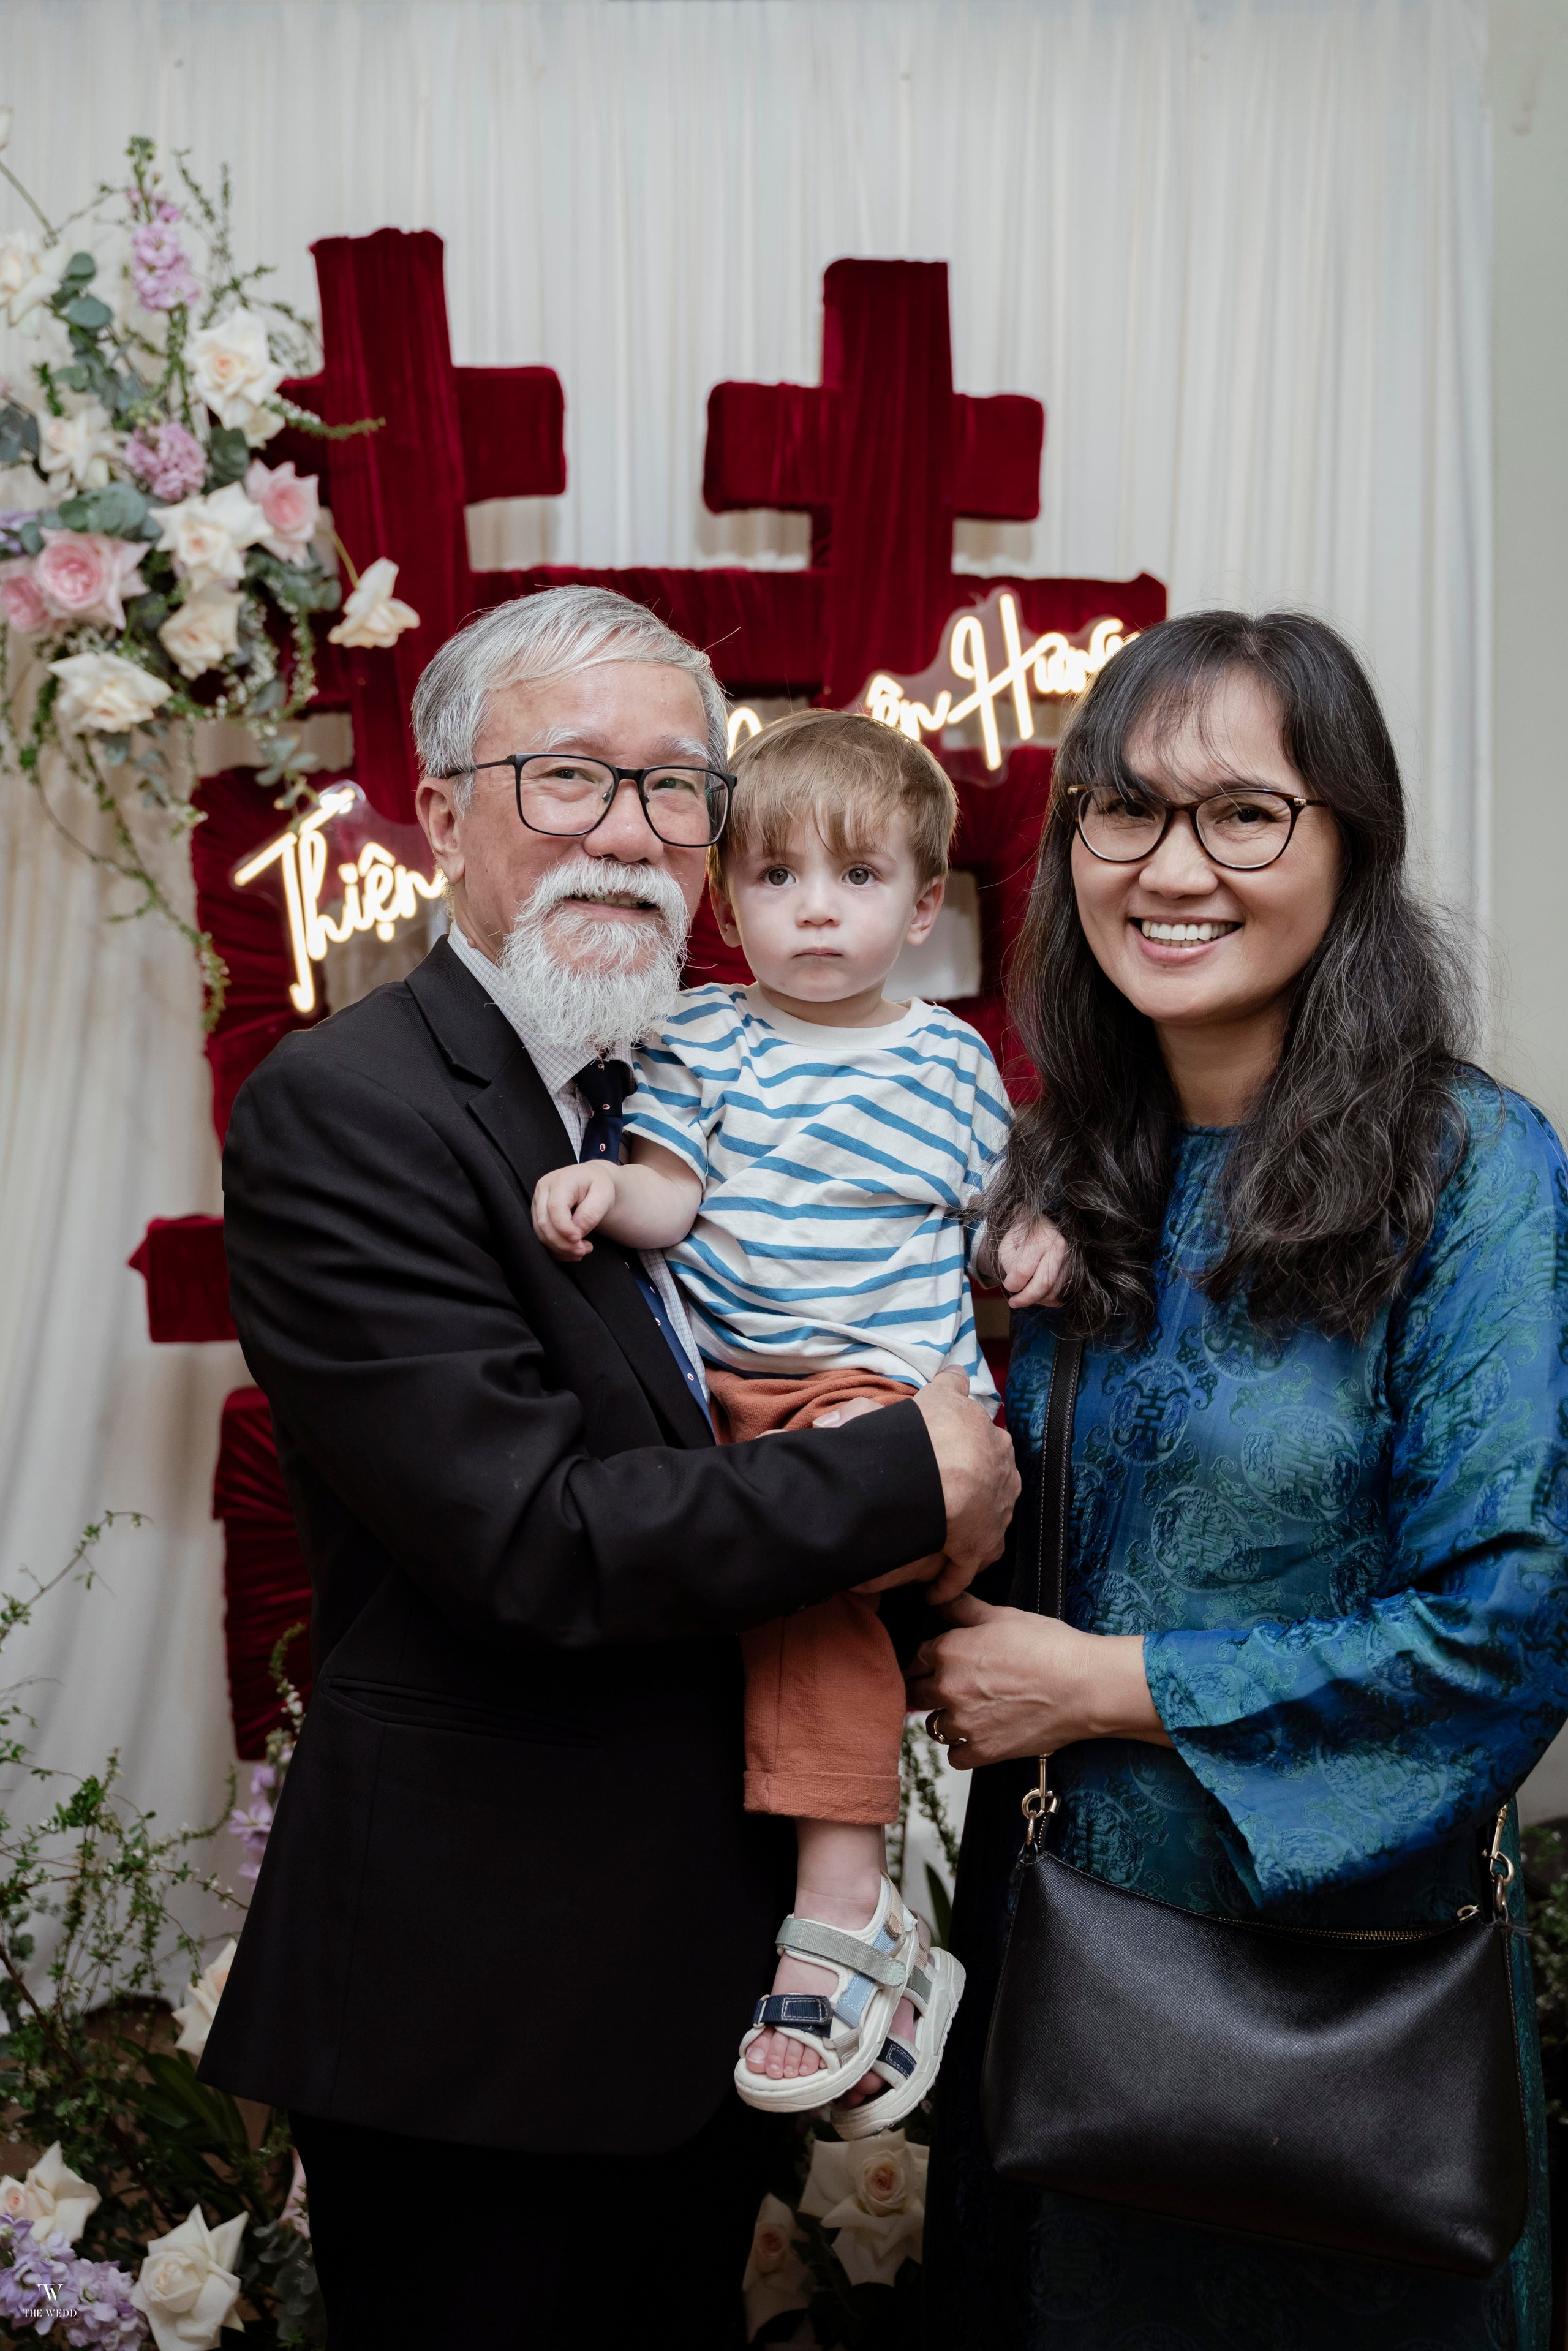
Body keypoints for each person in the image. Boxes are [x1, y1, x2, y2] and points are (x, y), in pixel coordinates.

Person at [198, 587, 1019, 2350]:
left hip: (691, 1998)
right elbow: (532, 1533)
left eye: (674, 791)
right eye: (570, 776)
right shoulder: (350, 1104)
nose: (630, 832)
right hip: (474, 2013)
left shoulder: (691, 1077)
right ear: (441, 812)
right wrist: (913, 1468)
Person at [909, 611, 1568, 2350]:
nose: (1169, 867)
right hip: (1055, 1978)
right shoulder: (1047, 1172)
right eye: (1120, 811)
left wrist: (1104, 1685)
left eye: (1242, 814)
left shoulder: (1470, 1164)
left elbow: (1511, 1619)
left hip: (1337, 2015)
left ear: (1349, 843)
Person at [530, 711, 1062, 2133]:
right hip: (726, 1392)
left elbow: (1000, 1211)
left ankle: (843, 1900)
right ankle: (845, 1933)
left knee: (813, 1565)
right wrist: (601, 1195)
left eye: (855, 877)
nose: (813, 907)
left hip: (876, 1389)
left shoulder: (946, 1064)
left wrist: (1035, 1244)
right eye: (772, 878)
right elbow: (673, 1195)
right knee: (739, 1572)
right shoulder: (702, 1034)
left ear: (922, 902)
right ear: (724, 900)